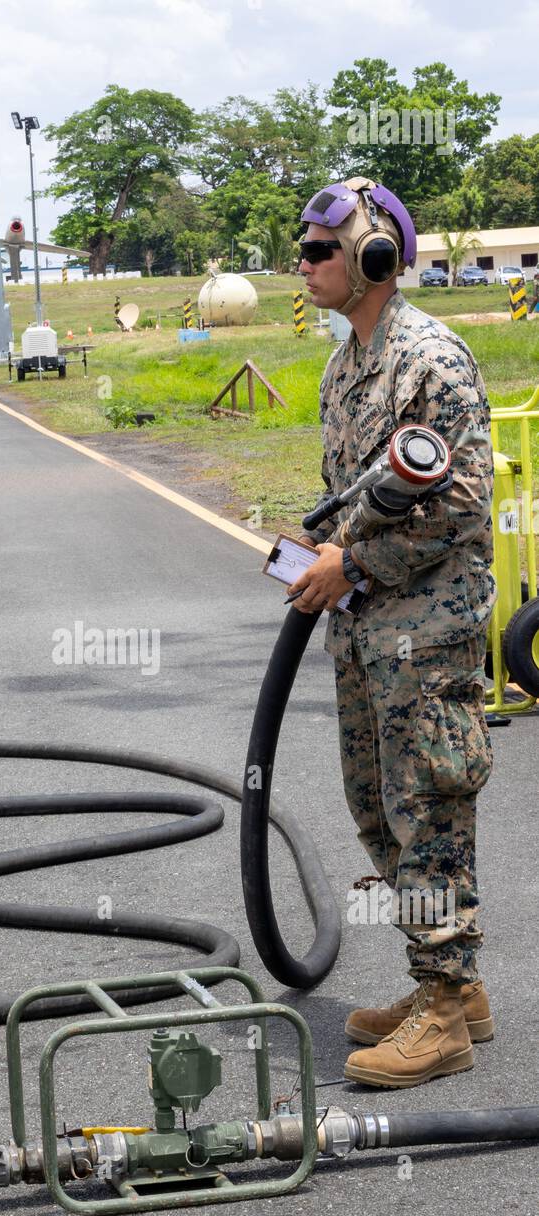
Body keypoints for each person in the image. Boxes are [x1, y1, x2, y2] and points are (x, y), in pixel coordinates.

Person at [290, 176, 496, 1088]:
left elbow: (457, 504)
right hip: (365, 634)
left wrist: (358, 566)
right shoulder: (347, 365)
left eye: (318, 250)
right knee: (376, 805)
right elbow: (359, 498)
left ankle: (444, 1011)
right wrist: (320, 550)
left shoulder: (431, 360)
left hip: (426, 631)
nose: (302, 263)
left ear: (375, 259)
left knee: (428, 813)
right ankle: (452, 985)